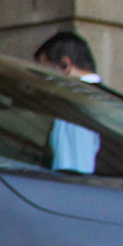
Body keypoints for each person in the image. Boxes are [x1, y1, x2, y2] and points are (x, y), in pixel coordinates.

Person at [34, 29, 101, 173]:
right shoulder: (115, 104)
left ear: (65, 65)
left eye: (45, 73)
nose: (43, 83)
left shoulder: (74, 107)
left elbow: (71, 176)